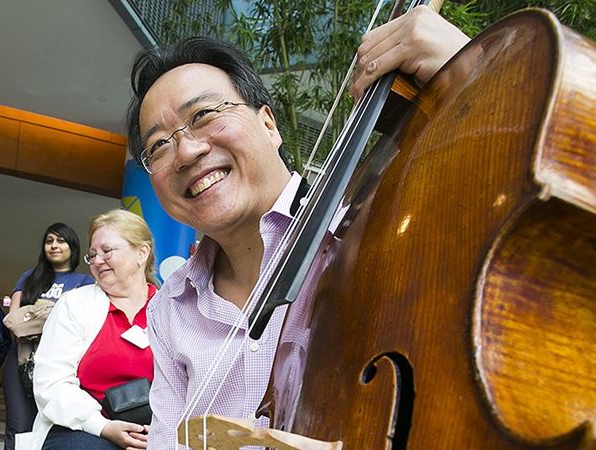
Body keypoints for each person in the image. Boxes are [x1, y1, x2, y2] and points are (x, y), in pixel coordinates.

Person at [123, 6, 470, 448]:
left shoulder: (380, 221)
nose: (187, 151)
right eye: (159, 145)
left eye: (204, 114)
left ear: (268, 124)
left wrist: (472, 66)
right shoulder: (169, 307)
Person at [25, 209, 157, 450]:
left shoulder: (170, 310)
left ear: (142, 252)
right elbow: (51, 384)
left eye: (107, 251)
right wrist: (102, 426)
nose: (97, 261)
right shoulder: (74, 304)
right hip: (84, 427)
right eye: (92, 255)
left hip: (156, 432)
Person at [3, 223, 93, 450]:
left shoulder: (85, 282)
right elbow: (14, 322)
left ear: (72, 246)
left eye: (60, 241)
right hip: (21, 363)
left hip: (61, 366)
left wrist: (33, 312)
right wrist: (55, 316)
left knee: (55, 428)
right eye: (49, 241)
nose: (54, 246)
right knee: (18, 427)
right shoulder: (29, 277)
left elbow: (83, 324)